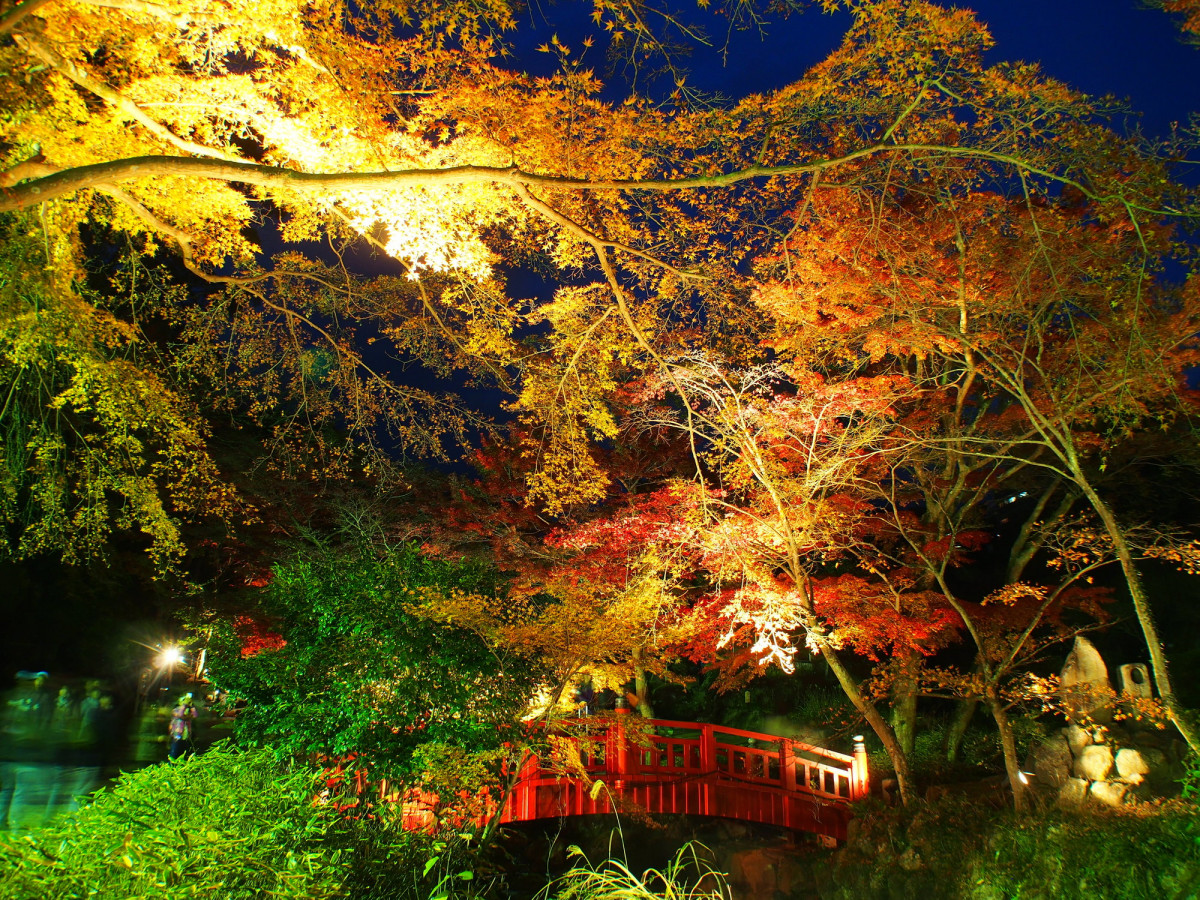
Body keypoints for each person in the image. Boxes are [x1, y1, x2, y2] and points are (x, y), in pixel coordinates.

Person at [167, 693, 197, 760]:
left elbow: (195, 715)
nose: (186, 702)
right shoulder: (175, 710)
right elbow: (180, 715)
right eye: (184, 700)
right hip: (177, 736)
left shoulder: (188, 711)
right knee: (174, 754)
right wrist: (184, 705)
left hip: (186, 737)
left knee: (185, 754)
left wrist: (192, 706)